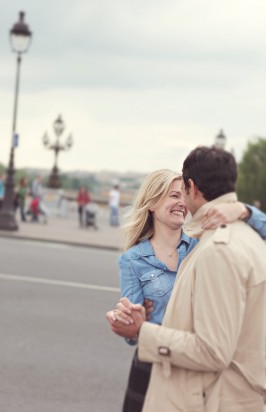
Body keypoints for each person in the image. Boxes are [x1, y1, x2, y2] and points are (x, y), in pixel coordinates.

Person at [108, 148, 266, 411]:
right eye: (173, 195)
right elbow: (132, 332)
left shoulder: (202, 244)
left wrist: (243, 210)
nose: (181, 201)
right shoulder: (134, 259)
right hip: (155, 360)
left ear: (192, 188)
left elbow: (213, 349)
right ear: (152, 203)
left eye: (182, 193)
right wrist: (130, 320)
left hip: (190, 370)